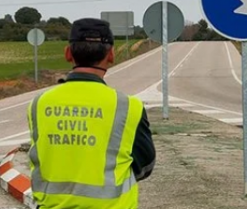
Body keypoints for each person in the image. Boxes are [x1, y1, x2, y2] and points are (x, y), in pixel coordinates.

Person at [27, 18, 156, 209]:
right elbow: (146, 164)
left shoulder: (39, 104)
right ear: (111, 54)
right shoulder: (128, 106)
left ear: (68, 53)